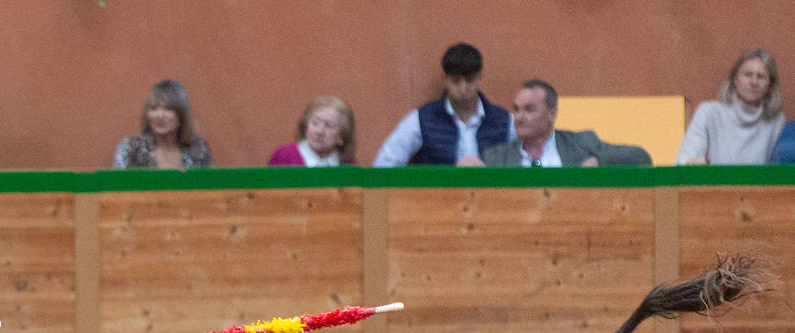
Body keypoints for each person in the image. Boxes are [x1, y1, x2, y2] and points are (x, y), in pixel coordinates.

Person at [372, 42, 513, 167]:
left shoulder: (504, 121)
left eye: (469, 80)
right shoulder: (422, 119)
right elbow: (384, 165)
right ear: (445, 80)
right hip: (437, 197)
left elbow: (528, 164)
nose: (463, 88)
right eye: (456, 81)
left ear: (480, 78)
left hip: (492, 197)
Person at [467, 80, 651, 167]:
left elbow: (641, 157)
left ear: (551, 114)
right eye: (517, 109)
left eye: (529, 110)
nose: (519, 117)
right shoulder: (496, 157)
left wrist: (599, 161)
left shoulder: (581, 143)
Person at [676, 49, 785, 165]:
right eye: (748, 74)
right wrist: (693, 162)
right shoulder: (709, 113)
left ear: (770, 84)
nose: (754, 82)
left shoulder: (776, 121)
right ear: (735, 79)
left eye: (761, 76)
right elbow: (684, 160)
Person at [113, 79, 212, 169]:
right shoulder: (131, 148)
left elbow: (209, 186)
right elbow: (117, 186)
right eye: (154, 108)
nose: (160, 115)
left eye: (168, 109)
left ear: (182, 114)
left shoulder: (199, 149)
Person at [268, 96, 356, 166]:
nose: (319, 131)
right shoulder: (284, 156)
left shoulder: (348, 164)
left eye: (329, 126)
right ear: (305, 125)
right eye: (315, 123)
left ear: (342, 135)